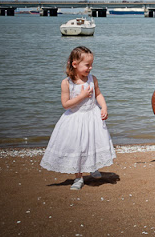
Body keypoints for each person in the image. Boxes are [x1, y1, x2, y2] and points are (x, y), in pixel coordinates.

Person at [40, 46, 116, 190]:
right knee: (77, 147)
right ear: (74, 64)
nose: (90, 67)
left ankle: (92, 167)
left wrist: (104, 107)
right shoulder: (67, 83)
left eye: (91, 64)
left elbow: (98, 94)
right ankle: (78, 177)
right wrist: (81, 97)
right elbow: (65, 104)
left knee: (92, 143)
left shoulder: (92, 79)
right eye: (87, 65)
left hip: (92, 116)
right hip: (75, 119)